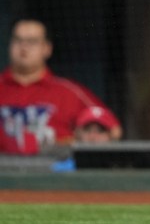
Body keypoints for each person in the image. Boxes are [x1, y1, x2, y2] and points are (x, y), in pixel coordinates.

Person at [0, 18, 118, 155]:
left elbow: (113, 129)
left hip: (56, 172)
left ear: (47, 48)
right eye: (18, 40)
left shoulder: (68, 91)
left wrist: (73, 143)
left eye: (32, 41)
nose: (24, 47)